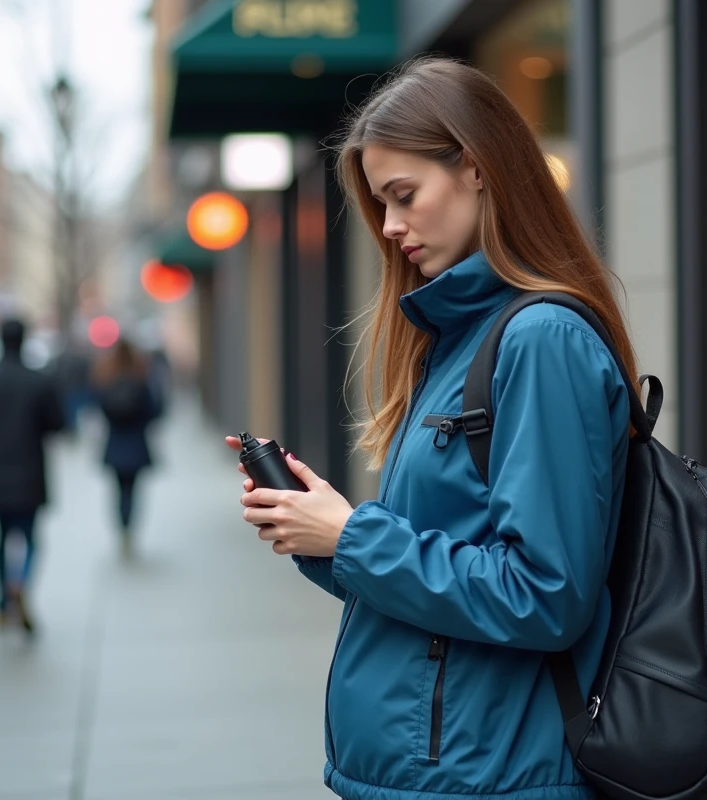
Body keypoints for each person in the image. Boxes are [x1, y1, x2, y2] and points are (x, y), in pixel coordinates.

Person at [225, 57, 638, 800]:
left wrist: (353, 537)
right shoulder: (460, 338)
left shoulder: (540, 340)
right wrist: (324, 533)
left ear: (476, 169)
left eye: (404, 195)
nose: (390, 227)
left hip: (491, 773)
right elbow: (446, 559)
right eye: (382, 203)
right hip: (441, 769)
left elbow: (544, 592)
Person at [0, 318, 65, 633]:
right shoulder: (39, 381)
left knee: (0, 538)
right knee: (30, 538)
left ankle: (0, 605)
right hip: (29, 472)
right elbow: (57, 423)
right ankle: (19, 584)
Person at [92, 337, 161, 556]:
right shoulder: (140, 377)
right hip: (137, 444)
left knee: (118, 491)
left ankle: (122, 529)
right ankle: (130, 530)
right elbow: (155, 410)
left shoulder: (106, 377)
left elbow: (99, 407)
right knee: (133, 491)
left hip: (114, 444)